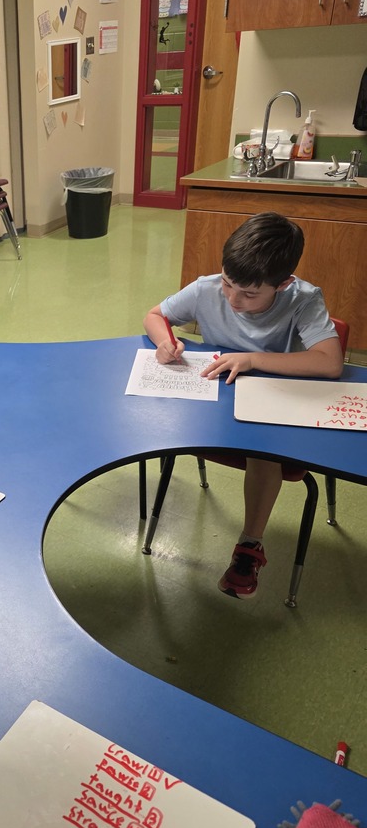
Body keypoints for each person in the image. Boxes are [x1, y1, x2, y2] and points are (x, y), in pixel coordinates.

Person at [144, 211, 343, 600]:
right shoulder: (206, 288)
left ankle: (250, 544)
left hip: (270, 401)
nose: (234, 300)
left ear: (283, 284)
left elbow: (330, 362)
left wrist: (251, 359)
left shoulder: (303, 298)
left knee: (263, 453)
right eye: (228, 283)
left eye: (250, 294)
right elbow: (156, 315)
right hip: (213, 396)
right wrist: (164, 341)